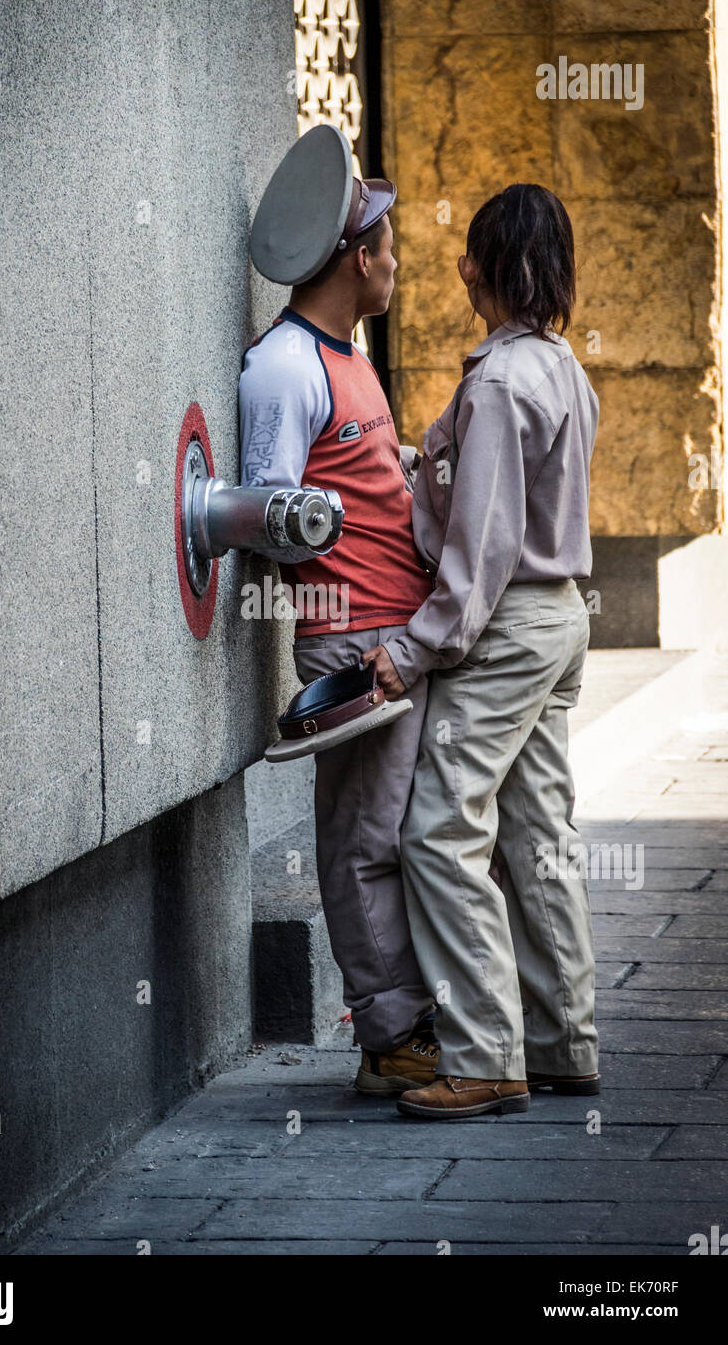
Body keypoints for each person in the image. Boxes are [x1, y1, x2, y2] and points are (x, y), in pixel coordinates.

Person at [362, 182, 601, 1119]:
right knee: (539, 833)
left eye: (469, 256)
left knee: (439, 832)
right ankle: (563, 1042)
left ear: (486, 269)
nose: (458, 269)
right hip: (561, 616)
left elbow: (483, 550)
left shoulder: (500, 383)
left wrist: (414, 650)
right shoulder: (563, 369)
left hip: (504, 629)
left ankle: (485, 1054)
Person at [240, 124, 438, 1094]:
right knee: (364, 845)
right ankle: (390, 1041)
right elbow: (271, 518)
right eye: (389, 247)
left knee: (406, 836)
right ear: (359, 259)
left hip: (401, 634)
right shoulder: (283, 365)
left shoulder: (344, 356)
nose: (396, 261)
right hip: (355, 643)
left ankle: (418, 1019)